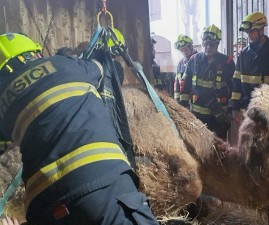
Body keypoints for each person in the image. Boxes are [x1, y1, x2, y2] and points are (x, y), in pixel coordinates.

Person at [0, 33, 159, 225]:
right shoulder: (66, 64)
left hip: (44, 206)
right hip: (101, 184)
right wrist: (107, 52)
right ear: (34, 54)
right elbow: (106, 70)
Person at [230, 12, 269, 123]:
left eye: (252, 31)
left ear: (261, 29)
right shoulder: (243, 54)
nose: (249, 35)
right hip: (247, 111)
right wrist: (234, 107)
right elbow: (236, 83)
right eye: (247, 32)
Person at [180, 25, 235, 139]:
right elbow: (185, 85)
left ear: (218, 44)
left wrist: (230, 110)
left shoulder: (227, 62)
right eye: (206, 43)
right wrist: (183, 108)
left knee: (219, 149)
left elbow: (234, 88)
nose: (208, 47)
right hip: (197, 115)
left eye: (212, 44)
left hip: (218, 116)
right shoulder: (194, 60)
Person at [173, 34, 198, 102]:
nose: (184, 52)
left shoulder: (199, 60)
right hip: (184, 101)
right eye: (182, 51)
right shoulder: (181, 63)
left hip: (196, 101)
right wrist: (177, 100)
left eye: (186, 49)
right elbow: (177, 82)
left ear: (191, 47)